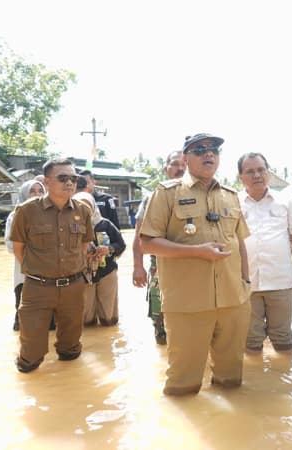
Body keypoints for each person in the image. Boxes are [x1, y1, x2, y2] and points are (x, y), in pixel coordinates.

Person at [140, 133, 251, 396]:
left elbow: (240, 242)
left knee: (231, 381)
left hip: (233, 300)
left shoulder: (231, 196)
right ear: (185, 158)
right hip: (188, 304)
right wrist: (196, 252)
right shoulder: (167, 193)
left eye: (213, 150)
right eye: (199, 150)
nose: (208, 154)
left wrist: (246, 284)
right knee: (183, 385)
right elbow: (148, 243)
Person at [9, 158, 97, 373]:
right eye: (63, 178)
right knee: (31, 354)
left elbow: (84, 246)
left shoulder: (83, 211)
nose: (70, 183)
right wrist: (41, 273)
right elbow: (19, 248)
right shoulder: (26, 211)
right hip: (37, 289)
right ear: (47, 182)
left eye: (73, 178)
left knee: (70, 349)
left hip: (73, 287)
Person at [237, 152, 292, 352]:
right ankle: (259, 381)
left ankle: (284, 380)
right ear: (240, 177)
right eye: (250, 171)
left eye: (261, 170)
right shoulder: (233, 203)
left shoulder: (286, 201)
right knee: (250, 343)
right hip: (246, 284)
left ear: (268, 172)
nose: (257, 175)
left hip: (280, 282)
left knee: (283, 341)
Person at [132, 150, 186, 345]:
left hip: (195, 270)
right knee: (162, 332)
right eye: (175, 164)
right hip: (160, 269)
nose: (180, 169)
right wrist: (138, 267)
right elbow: (140, 237)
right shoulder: (152, 198)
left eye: (184, 164)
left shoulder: (204, 194)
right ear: (166, 168)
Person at [4, 179, 55, 331]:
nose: (36, 194)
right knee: (24, 318)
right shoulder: (16, 215)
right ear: (24, 193)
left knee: (50, 321)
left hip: (50, 273)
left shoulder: (51, 214)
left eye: (40, 191)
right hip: (25, 272)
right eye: (32, 191)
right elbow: (10, 244)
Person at [73, 192, 126, 327]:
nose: (84, 208)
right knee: (86, 313)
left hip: (107, 270)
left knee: (109, 315)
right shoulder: (71, 226)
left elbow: (121, 244)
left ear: (93, 206)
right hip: (83, 273)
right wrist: (83, 253)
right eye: (80, 205)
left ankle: (107, 338)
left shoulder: (105, 224)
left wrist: (109, 249)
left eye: (87, 205)